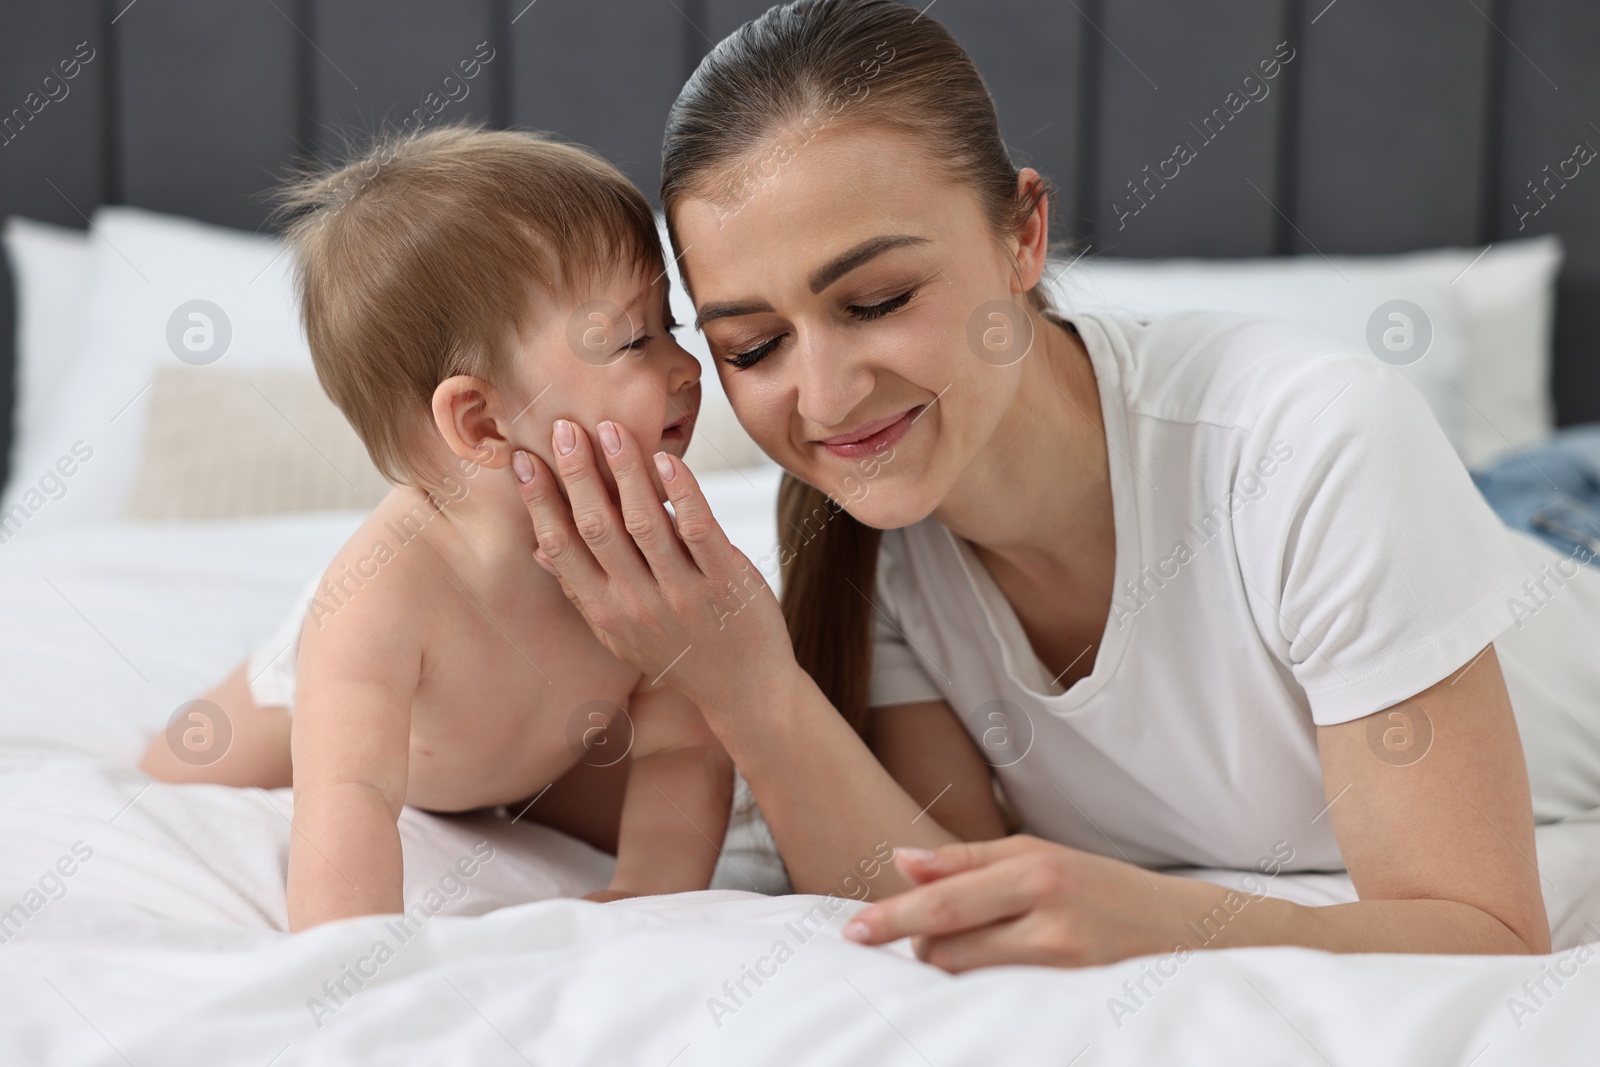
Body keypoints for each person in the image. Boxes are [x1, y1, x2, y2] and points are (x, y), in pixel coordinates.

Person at [512, 0, 1600, 970]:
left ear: (1023, 231)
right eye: (753, 347)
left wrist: (1173, 919)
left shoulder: (1314, 440)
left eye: (878, 298)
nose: (828, 397)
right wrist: (745, 683)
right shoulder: (876, 539)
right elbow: (945, 889)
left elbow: (1489, 934)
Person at [139, 125, 737, 929]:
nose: (685, 366)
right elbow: (351, 802)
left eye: (672, 326)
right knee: (178, 769)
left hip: (530, 750)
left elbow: (680, 746)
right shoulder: (378, 600)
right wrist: (345, 963)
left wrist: (646, 895)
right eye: (634, 339)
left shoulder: (648, 551)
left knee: (728, 794)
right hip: (351, 723)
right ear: (484, 422)